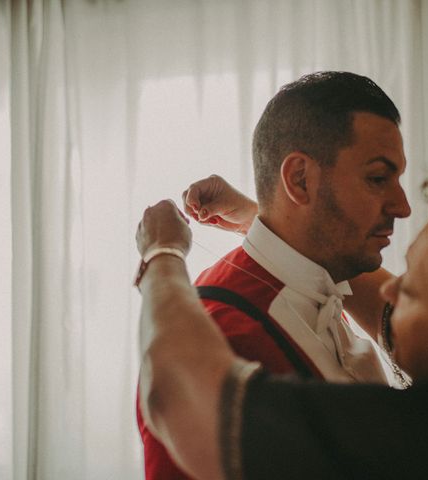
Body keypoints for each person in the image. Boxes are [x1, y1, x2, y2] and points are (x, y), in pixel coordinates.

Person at [135, 134, 428, 479]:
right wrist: (274, 225)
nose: (389, 292)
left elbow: (187, 402)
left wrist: (162, 252)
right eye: (377, 178)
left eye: (414, 292)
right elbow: (392, 315)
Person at [138, 71, 411, 479]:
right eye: (377, 178)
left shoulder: (328, 278)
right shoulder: (216, 333)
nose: (402, 206)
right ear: (300, 179)